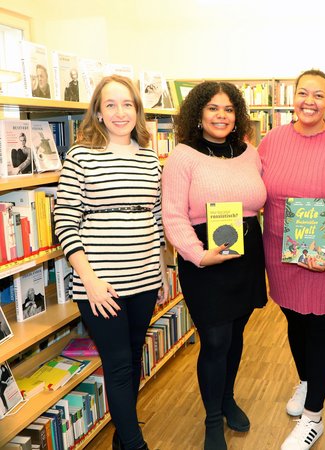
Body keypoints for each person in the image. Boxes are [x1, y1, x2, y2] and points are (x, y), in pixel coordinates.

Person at [54, 74, 168, 450]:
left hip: (145, 279)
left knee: (133, 358)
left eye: (127, 104)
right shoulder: (81, 156)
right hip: (100, 285)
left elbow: (154, 216)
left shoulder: (150, 157)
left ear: (138, 110)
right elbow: (65, 220)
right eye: (110, 105)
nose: (120, 112)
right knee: (119, 363)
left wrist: (163, 268)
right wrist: (89, 279)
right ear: (98, 113)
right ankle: (136, 444)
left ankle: (122, 438)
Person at [259, 69, 325, 450]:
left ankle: (313, 417)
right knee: (294, 320)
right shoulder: (270, 141)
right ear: (293, 97)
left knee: (319, 328)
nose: (309, 101)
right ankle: (306, 382)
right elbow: (259, 194)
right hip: (280, 254)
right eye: (303, 93)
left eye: (318, 95)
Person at [162, 81, 267, 450]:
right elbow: (173, 215)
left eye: (228, 109)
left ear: (237, 114)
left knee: (236, 336)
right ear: (198, 114)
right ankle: (211, 420)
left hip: (247, 256)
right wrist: (197, 254)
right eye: (212, 109)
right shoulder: (183, 157)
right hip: (205, 261)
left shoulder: (250, 153)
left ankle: (227, 399)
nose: (221, 116)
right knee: (215, 339)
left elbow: (261, 200)